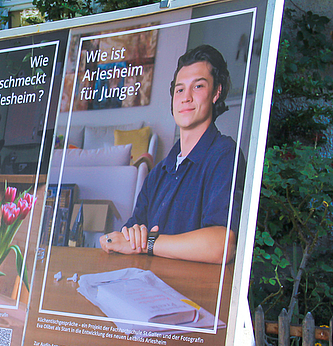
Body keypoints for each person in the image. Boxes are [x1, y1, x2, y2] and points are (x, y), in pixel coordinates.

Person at [100, 45, 244, 264]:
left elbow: (221, 245)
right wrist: (121, 239)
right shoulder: (158, 173)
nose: (185, 97)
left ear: (216, 93)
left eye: (198, 86)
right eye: (179, 89)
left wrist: (148, 243)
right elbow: (129, 236)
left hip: (192, 294)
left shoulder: (224, 156)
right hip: (149, 289)